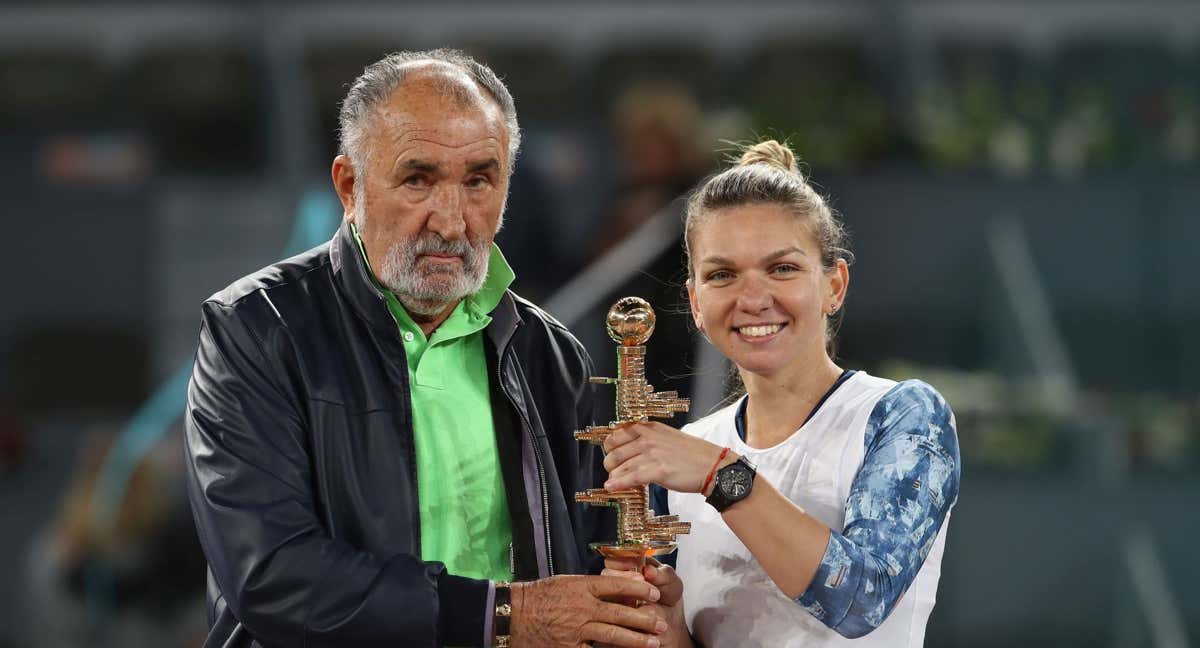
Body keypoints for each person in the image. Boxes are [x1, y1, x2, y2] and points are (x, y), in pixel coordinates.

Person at [183, 49, 669, 648]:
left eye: (478, 181)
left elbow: (585, 571)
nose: (451, 220)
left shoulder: (551, 356)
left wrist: (627, 595)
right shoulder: (256, 330)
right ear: (349, 185)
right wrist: (504, 617)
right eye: (418, 179)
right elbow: (274, 576)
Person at [600, 140, 961, 647]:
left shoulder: (902, 416)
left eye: (782, 268)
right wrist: (670, 621)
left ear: (834, 284)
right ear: (696, 302)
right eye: (722, 275)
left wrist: (720, 476)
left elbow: (862, 599)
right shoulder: (685, 456)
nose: (752, 299)